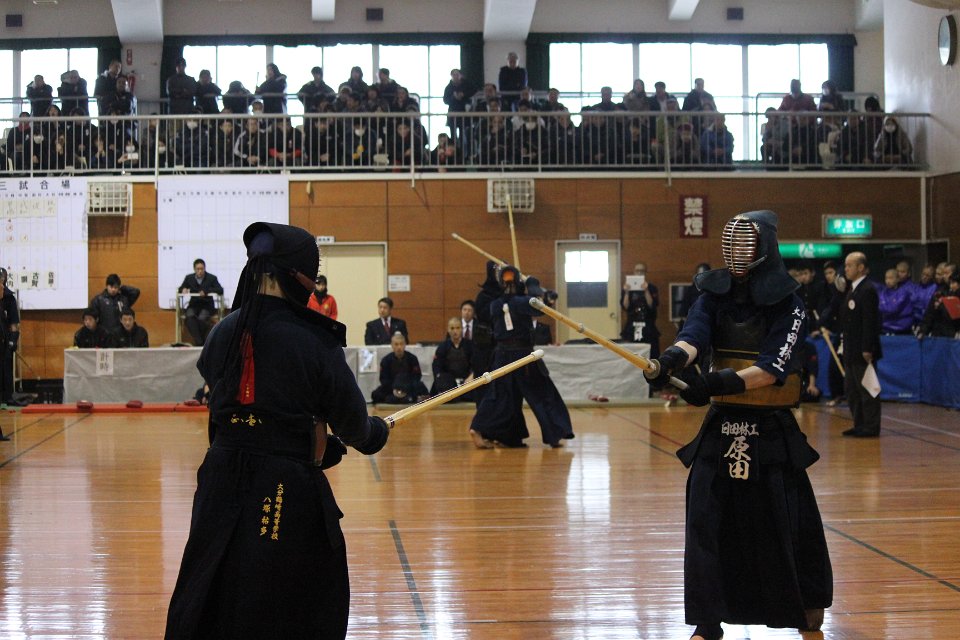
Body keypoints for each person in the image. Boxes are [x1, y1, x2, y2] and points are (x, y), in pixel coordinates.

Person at [165, 221, 390, 639]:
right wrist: (373, 434)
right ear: (299, 276)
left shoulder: (223, 331)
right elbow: (354, 425)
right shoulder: (314, 339)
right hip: (283, 484)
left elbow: (232, 409)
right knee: (286, 594)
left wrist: (308, 441)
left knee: (211, 579)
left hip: (219, 479)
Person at [645, 210, 832, 640]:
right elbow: (695, 334)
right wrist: (671, 361)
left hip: (769, 427)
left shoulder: (790, 303)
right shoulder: (714, 293)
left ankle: (805, 602)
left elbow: (772, 366)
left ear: (764, 248)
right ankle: (707, 620)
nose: (737, 255)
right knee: (705, 519)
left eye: (745, 246)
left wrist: (716, 383)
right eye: (732, 245)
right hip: (723, 423)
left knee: (784, 520)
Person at [468, 267, 574, 449]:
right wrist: (532, 284)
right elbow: (540, 308)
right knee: (543, 394)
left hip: (502, 355)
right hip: (524, 356)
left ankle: (487, 431)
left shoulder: (495, 305)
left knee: (500, 396)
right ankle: (555, 434)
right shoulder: (523, 302)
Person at [839, 251, 882, 437]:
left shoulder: (868, 289)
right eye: (846, 265)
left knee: (867, 389)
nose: (846, 269)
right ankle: (859, 424)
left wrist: (867, 348)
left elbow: (870, 321)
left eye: (849, 265)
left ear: (861, 267)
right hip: (850, 349)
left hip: (863, 350)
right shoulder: (852, 289)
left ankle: (871, 427)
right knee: (852, 390)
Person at [370, 333, 428, 404]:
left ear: (405, 345)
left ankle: (399, 398)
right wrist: (395, 387)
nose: (399, 347)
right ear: (392, 345)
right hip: (391, 388)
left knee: (422, 389)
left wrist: (405, 386)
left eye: (401, 344)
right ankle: (407, 398)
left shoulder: (412, 358)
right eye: (396, 344)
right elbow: (384, 380)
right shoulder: (386, 360)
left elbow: (417, 376)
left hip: (409, 387)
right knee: (376, 394)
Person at [178, 258, 224, 346]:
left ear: (204, 268)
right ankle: (199, 341)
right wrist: (183, 289)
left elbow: (220, 290)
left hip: (206, 305)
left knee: (202, 318)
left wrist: (206, 291)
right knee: (189, 317)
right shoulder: (189, 278)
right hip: (194, 305)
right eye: (198, 269)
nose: (200, 271)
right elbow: (181, 288)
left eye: (202, 269)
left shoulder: (211, 278)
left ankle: (200, 342)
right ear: (194, 269)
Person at [620, 262, 661, 358]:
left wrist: (646, 290)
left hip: (648, 325)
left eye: (642, 271)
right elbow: (625, 306)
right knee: (632, 354)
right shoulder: (628, 288)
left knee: (652, 354)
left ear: (645, 273)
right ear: (634, 272)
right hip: (632, 325)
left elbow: (652, 305)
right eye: (637, 270)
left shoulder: (651, 288)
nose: (639, 273)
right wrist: (626, 292)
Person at [431, 317, 475, 396]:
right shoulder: (442, 347)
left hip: (466, 382)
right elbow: (437, 368)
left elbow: (475, 364)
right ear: (448, 330)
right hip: (448, 384)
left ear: (462, 329)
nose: (455, 331)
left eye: (458, 328)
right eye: (452, 328)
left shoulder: (469, 345)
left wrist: (471, 376)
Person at [0, 268, 23, 412]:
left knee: (6, 368)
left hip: (5, 339)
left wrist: (12, 341)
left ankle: (7, 396)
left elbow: (14, 324)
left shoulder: (8, 297)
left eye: (2, 280)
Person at [879, 268, 914, 334]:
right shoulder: (882, 293)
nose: (888, 281)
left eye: (891, 278)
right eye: (886, 278)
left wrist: (885, 308)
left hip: (902, 328)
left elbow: (893, 309)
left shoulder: (903, 293)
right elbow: (879, 308)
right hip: (885, 327)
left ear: (898, 279)